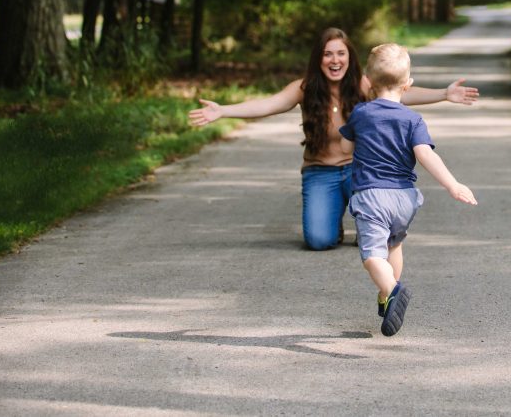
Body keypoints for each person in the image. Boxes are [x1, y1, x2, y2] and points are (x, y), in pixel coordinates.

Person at [187, 27, 478, 251]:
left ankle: (365, 220)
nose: (334, 60)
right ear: (319, 59)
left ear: (350, 57)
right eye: (328, 54)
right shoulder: (304, 88)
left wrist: (444, 94)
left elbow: (402, 92)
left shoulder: (365, 85)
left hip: (360, 173)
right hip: (319, 173)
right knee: (318, 240)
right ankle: (334, 221)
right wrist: (223, 111)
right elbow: (267, 105)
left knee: (380, 237)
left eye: (341, 53)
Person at [339, 43, 477, 337]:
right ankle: (385, 297)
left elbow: (344, 147)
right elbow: (426, 155)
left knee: (372, 255)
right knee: (394, 246)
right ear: (408, 84)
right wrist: (453, 184)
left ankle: (392, 288)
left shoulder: (361, 113)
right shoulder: (413, 118)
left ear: (367, 82)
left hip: (371, 195)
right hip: (404, 198)